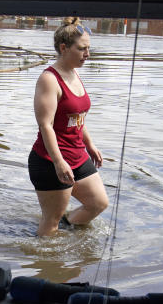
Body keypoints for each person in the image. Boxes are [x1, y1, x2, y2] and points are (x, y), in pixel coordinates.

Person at [28, 17, 109, 236]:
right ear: (64, 48)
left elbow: (76, 117)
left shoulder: (74, 73)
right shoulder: (49, 79)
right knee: (50, 222)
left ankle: (67, 230)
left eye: (89, 48)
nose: (87, 54)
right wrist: (58, 161)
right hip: (50, 160)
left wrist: (89, 144)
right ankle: (46, 261)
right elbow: (46, 125)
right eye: (82, 49)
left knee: (98, 203)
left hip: (77, 154)